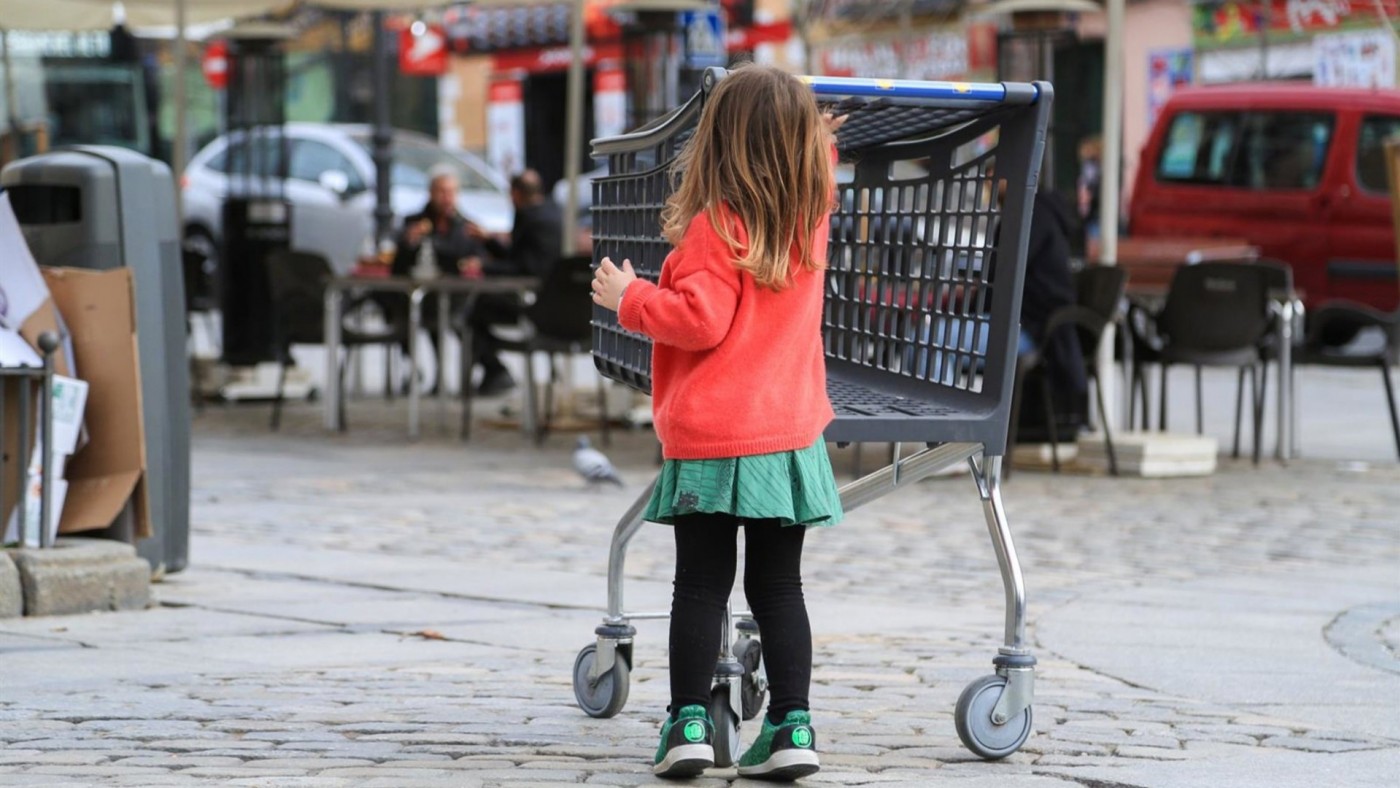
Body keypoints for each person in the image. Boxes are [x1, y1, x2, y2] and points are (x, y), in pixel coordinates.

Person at [590, 64, 843, 782]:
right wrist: (818, 143)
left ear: (718, 142)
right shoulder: (811, 218)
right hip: (788, 437)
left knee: (701, 584)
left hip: (714, 439)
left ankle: (688, 722)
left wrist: (629, 296)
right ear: (796, 146)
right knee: (779, 588)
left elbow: (699, 321)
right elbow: (819, 175)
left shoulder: (715, 226)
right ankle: (793, 724)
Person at [460, 169, 565, 396]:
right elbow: (518, 257)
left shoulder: (530, 218)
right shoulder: (550, 212)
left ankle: (495, 371)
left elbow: (525, 268)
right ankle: (494, 372)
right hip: (551, 302)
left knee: (470, 312)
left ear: (516, 194)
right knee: (477, 308)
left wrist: (482, 266)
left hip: (532, 303)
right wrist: (489, 241)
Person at [389, 166, 486, 393]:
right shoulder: (413, 222)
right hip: (418, 295)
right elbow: (397, 263)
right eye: (441, 192)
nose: (447, 198)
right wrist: (408, 241)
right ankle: (412, 369)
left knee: (464, 318)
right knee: (399, 308)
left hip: (455, 296)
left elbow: (475, 257)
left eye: (451, 192)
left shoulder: (465, 226)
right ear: (431, 193)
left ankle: (474, 370)